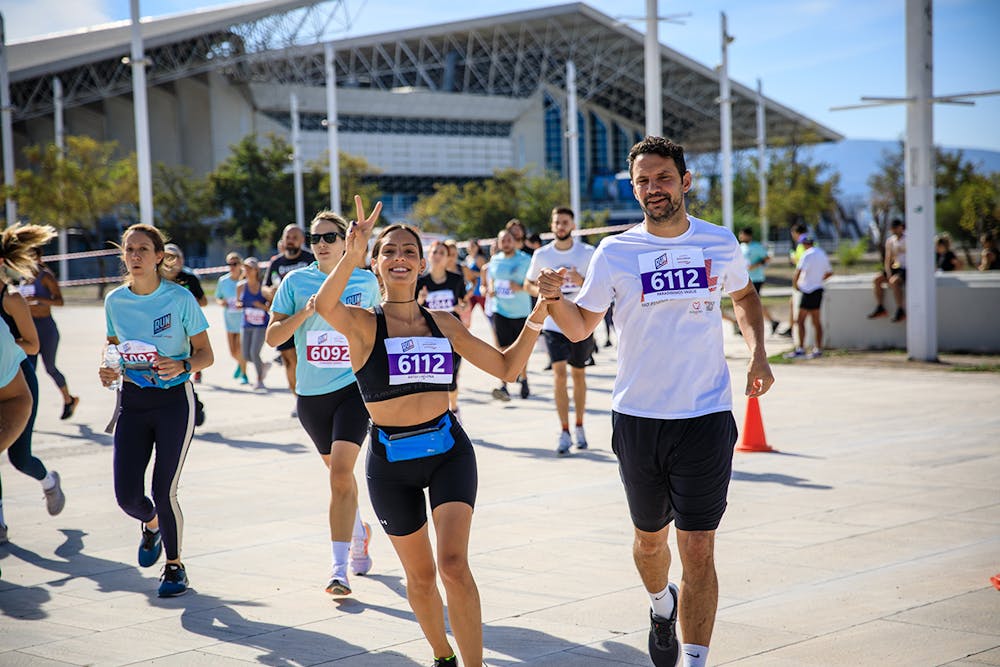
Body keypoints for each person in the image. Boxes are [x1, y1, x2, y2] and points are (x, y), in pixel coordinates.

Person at [535, 136, 774, 667]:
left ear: (685, 181)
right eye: (642, 180)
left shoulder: (719, 242)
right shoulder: (615, 251)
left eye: (663, 177)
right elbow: (580, 328)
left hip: (706, 416)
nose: (653, 188)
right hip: (639, 419)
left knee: (699, 547)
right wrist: (552, 300)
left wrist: (758, 354)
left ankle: (693, 658)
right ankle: (659, 604)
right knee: (649, 544)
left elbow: (745, 296)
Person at [314, 196, 552, 667]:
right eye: (389, 252)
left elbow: (506, 369)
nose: (399, 258)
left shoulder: (443, 323)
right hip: (390, 464)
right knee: (420, 577)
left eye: (408, 251)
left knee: (454, 566)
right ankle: (442, 655)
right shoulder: (364, 325)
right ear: (376, 265)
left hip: (448, 452)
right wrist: (351, 251)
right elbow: (325, 304)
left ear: (423, 264)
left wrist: (537, 316)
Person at [267, 211, 381, 596]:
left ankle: (338, 569)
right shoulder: (295, 281)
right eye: (317, 238)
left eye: (331, 236)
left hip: (354, 390)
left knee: (340, 475)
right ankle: (359, 530)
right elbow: (272, 337)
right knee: (340, 477)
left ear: (345, 240)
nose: (322, 244)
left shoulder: (365, 281)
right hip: (312, 397)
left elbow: (380, 333)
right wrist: (307, 312)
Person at [99, 224, 214, 597]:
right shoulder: (115, 301)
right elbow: (113, 347)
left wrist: (182, 365)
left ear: (159, 257)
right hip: (133, 403)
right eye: (129, 250)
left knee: (164, 490)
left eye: (143, 250)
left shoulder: (180, 299)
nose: (134, 256)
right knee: (127, 497)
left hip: (173, 403)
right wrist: (108, 366)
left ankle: (175, 567)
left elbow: (206, 355)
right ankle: (151, 525)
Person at [0, 224, 66, 546]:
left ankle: (49, 480)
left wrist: (6, 343)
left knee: (20, 459)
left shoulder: (11, 299)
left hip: (20, 382)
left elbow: (34, 345)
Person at [525, 207, 596, 455]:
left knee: (578, 375)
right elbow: (528, 284)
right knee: (559, 376)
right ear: (552, 225)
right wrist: (545, 291)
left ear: (573, 225)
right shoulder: (542, 255)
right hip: (553, 324)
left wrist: (581, 282)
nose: (561, 226)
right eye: (557, 222)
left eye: (565, 222)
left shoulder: (587, 253)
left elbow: (602, 287)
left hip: (580, 322)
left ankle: (579, 426)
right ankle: (564, 430)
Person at [21, 248, 79, 419]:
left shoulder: (45, 276)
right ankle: (26, 414)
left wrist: (39, 300)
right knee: (27, 371)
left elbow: (60, 301)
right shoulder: (23, 277)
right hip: (29, 329)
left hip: (46, 328)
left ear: (38, 257)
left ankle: (69, 400)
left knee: (50, 368)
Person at [263, 224, 315, 413]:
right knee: (289, 361)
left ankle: (309, 395)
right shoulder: (276, 263)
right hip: (284, 319)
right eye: (287, 236)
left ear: (302, 240)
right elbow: (265, 286)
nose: (290, 240)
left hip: (308, 320)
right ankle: (298, 399)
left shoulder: (310, 259)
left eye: (294, 236)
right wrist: (271, 292)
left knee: (305, 360)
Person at [417, 240, 469, 419]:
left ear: (448, 258)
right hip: (429, 337)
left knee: (452, 378)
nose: (438, 256)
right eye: (434, 252)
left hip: (453, 335)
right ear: (428, 255)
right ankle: (439, 416)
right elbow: (413, 309)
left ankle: (454, 409)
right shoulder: (420, 282)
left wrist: (461, 307)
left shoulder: (455, 280)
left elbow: (463, 302)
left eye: (442, 253)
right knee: (434, 380)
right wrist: (421, 301)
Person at [161, 243, 207, 425]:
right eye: (167, 257)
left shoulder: (189, 279)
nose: (171, 261)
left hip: (187, 331)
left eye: (175, 257)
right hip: (163, 331)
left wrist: (186, 302)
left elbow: (203, 301)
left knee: (182, 368)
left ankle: (193, 404)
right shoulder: (155, 280)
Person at [486, 229, 533, 401]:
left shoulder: (525, 260)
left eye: (508, 240)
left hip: (520, 311)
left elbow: (532, 283)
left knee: (521, 350)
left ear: (514, 241)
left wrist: (519, 287)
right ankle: (504, 384)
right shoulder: (494, 260)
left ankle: (524, 378)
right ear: (498, 243)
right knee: (502, 349)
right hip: (500, 310)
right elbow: (491, 279)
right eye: (502, 240)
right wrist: (490, 288)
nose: (505, 243)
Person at [784, 235, 833, 359]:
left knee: (800, 321)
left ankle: (800, 348)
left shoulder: (806, 255)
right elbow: (829, 272)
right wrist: (818, 280)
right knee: (817, 322)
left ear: (804, 244)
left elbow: (797, 273)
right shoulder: (822, 253)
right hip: (818, 290)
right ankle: (818, 349)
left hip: (807, 290)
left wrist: (796, 286)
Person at [738, 227, 781, 334]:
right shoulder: (740, 247)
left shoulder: (757, 246)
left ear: (748, 235)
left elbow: (767, 258)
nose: (740, 236)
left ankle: (752, 326)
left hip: (756, 278)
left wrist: (755, 265)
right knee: (747, 303)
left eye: (742, 234)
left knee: (753, 303)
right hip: (744, 278)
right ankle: (771, 321)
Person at [238, 257, 270, 392]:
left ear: (256, 270)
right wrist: (239, 305)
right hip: (247, 323)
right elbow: (239, 302)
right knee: (245, 355)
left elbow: (272, 306)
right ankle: (263, 366)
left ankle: (260, 380)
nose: (247, 271)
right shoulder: (240, 286)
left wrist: (261, 306)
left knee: (254, 352)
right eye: (245, 268)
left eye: (250, 268)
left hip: (261, 324)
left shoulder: (263, 287)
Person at [215, 251, 248, 384]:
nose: (232, 266)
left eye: (235, 263)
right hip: (229, 319)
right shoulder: (223, 281)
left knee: (240, 349)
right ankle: (240, 364)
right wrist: (221, 302)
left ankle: (245, 375)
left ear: (240, 264)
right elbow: (218, 296)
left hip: (243, 319)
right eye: (229, 264)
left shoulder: (245, 281)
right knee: (233, 352)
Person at [868, 218, 906, 322]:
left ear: (901, 228)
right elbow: (888, 258)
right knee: (877, 279)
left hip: (904, 268)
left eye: (895, 228)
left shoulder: (908, 239)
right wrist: (888, 272)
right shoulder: (890, 241)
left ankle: (900, 309)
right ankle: (880, 307)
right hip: (895, 268)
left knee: (894, 282)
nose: (893, 230)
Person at [779, 223, 808, 337]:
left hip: (803, 280)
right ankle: (792, 328)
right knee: (793, 303)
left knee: (796, 305)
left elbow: (801, 262)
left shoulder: (801, 244)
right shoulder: (812, 241)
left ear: (796, 232)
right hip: (808, 280)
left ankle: (792, 329)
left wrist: (793, 257)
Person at [461, 239, 488, 327]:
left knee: (488, 316)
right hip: (470, 291)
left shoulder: (479, 258)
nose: (471, 248)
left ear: (477, 247)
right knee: (464, 316)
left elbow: (485, 273)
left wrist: (471, 273)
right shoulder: (468, 258)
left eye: (473, 246)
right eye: (469, 246)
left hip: (480, 291)